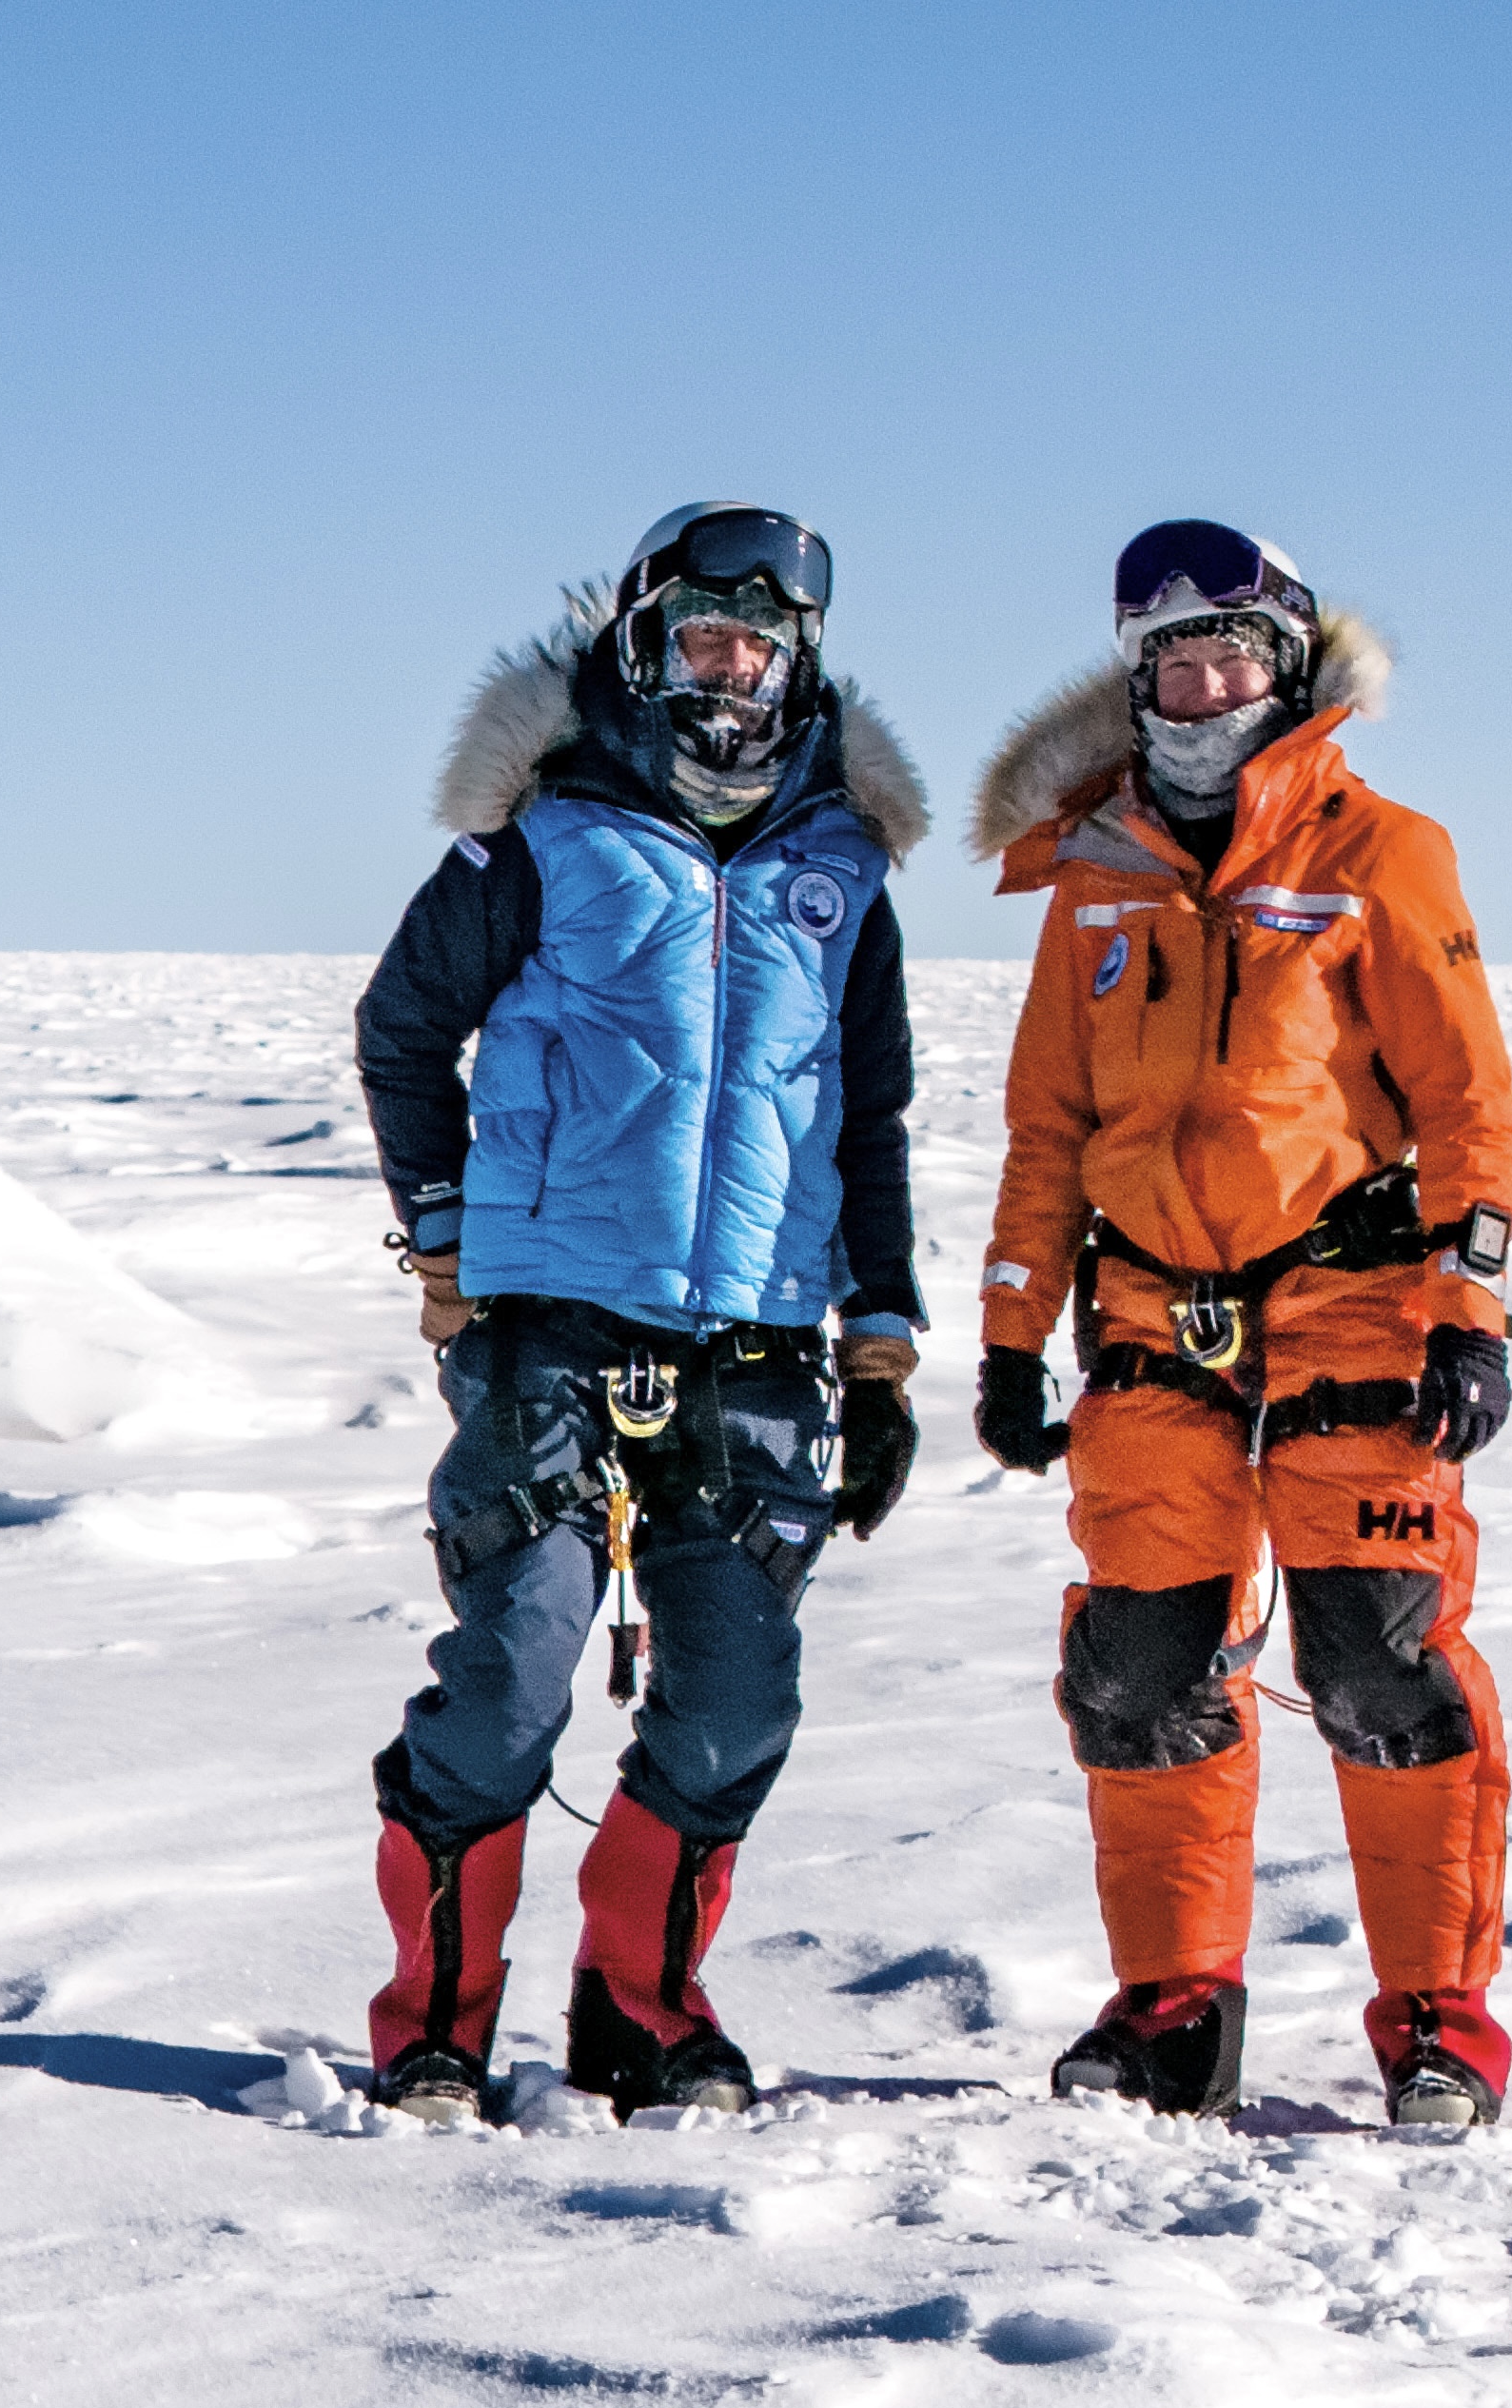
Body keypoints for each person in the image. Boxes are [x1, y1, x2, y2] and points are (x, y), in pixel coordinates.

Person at [352, 503, 929, 2122]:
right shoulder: (544, 834)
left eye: (758, 639)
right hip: (547, 1328)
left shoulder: (843, 870)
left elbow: (867, 1117)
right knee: (512, 1683)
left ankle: (641, 2007)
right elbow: (404, 1030)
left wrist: (878, 1344)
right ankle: (438, 2027)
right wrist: (448, 1239)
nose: (728, 666)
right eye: (700, 634)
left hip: (755, 1345)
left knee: (738, 1696)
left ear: (800, 655)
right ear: (643, 643)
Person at [966, 522, 1512, 2125]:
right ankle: (1172, 2008)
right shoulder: (1096, 877)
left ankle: (1440, 2019)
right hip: (1151, 1316)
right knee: (1137, 1672)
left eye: (1230, 658)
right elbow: (1046, 1126)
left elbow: (1470, 1101)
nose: (1203, 688)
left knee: (1381, 1661)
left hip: (1356, 1305)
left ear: (1282, 671)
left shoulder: (1381, 850)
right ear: (1135, 684)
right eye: (1172, 665)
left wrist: (1467, 1302)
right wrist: (1014, 1326)